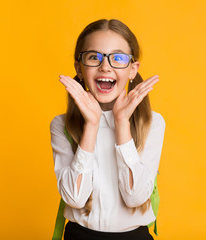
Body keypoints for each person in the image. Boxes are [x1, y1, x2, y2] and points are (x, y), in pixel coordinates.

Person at [50, 19, 165, 240]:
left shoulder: (152, 122)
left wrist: (122, 124)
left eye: (118, 58)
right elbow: (74, 198)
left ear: (133, 69)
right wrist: (91, 126)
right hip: (79, 235)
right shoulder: (61, 124)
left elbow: (135, 198)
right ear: (79, 69)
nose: (106, 66)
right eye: (94, 57)